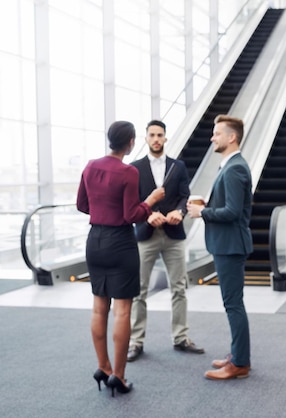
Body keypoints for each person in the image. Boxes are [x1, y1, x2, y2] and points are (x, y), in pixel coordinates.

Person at [77, 121, 165, 396]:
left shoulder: (91, 166)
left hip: (95, 241)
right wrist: (150, 201)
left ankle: (102, 367)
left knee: (98, 308)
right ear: (130, 143)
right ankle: (119, 375)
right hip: (120, 243)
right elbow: (131, 214)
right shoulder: (128, 172)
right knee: (123, 311)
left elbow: (82, 204)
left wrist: (102, 210)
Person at [127, 120, 204, 362]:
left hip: (173, 234)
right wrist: (148, 216)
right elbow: (133, 202)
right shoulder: (134, 168)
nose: (156, 139)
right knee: (139, 290)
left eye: (160, 135)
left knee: (179, 288)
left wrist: (179, 212)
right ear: (146, 138)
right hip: (146, 234)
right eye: (152, 135)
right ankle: (135, 342)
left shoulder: (178, 166)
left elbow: (185, 196)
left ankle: (180, 337)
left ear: (166, 138)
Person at [187, 114, 253, 380]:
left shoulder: (235, 167)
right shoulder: (230, 165)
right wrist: (207, 206)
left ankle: (239, 363)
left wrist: (202, 213)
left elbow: (232, 212)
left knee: (233, 304)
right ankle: (238, 356)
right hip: (227, 245)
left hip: (230, 246)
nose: (212, 137)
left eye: (217, 133)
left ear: (231, 137)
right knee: (233, 303)